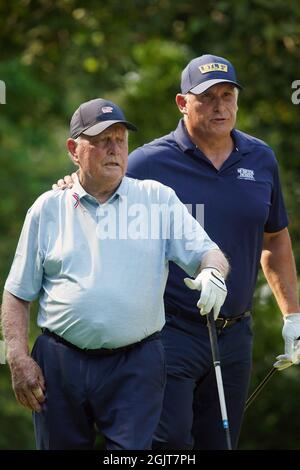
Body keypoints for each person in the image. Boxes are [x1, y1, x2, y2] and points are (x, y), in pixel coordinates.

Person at [54, 54, 300, 450]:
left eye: (228, 95)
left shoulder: (261, 159)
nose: (220, 107)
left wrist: (293, 316)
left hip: (235, 332)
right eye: (207, 98)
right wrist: (72, 185)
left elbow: (275, 239)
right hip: (169, 330)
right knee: (167, 446)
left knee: (220, 443)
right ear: (182, 103)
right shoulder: (149, 162)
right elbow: (98, 191)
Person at [1, 98, 229, 450]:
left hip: (136, 364)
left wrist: (213, 273)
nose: (114, 149)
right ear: (74, 150)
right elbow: (17, 293)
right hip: (59, 364)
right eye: (102, 139)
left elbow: (208, 252)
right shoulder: (48, 208)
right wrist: (17, 356)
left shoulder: (157, 199)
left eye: (120, 139)